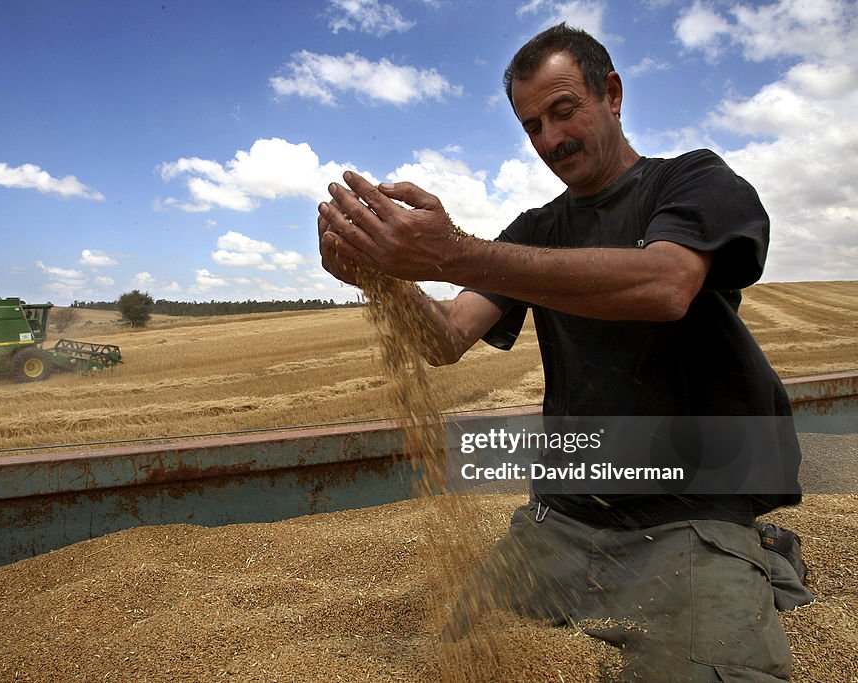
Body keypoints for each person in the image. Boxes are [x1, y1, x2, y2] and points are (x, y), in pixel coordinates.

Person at [317, 23, 812, 682]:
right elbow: (446, 336)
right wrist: (385, 278)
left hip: (690, 512)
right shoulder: (536, 229)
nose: (550, 139)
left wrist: (451, 249)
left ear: (611, 94)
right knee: (462, 658)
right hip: (563, 518)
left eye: (562, 110)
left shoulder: (691, 182)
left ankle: (754, 553)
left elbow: (667, 284)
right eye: (531, 126)